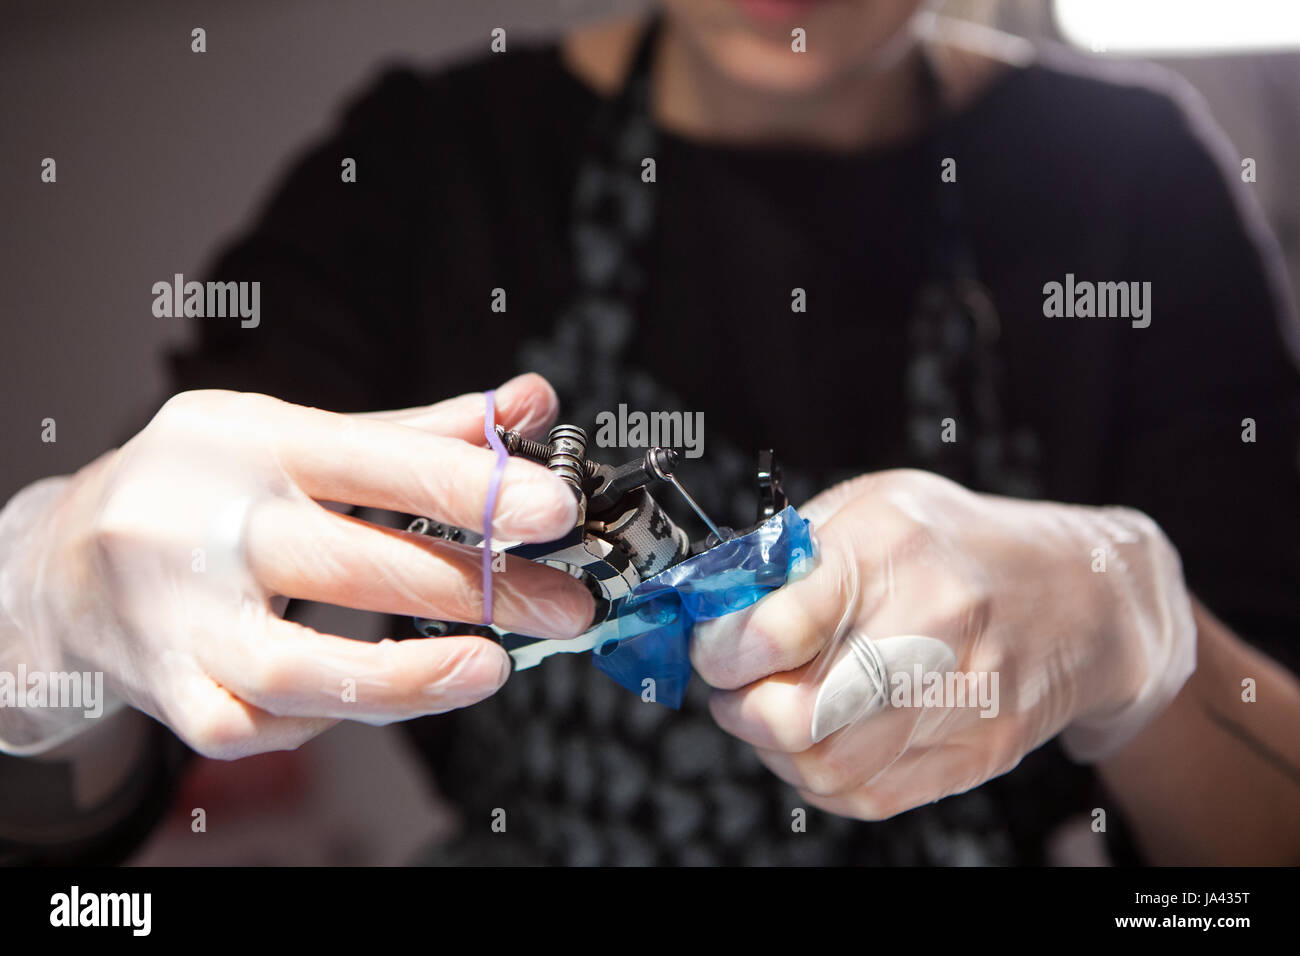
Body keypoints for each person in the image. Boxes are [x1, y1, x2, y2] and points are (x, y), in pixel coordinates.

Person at [2, 0, 1299, 866]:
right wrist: (50, 610)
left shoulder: (1128, 181)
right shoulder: (433, 170)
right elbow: (72, 796)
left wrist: (1139, 637)